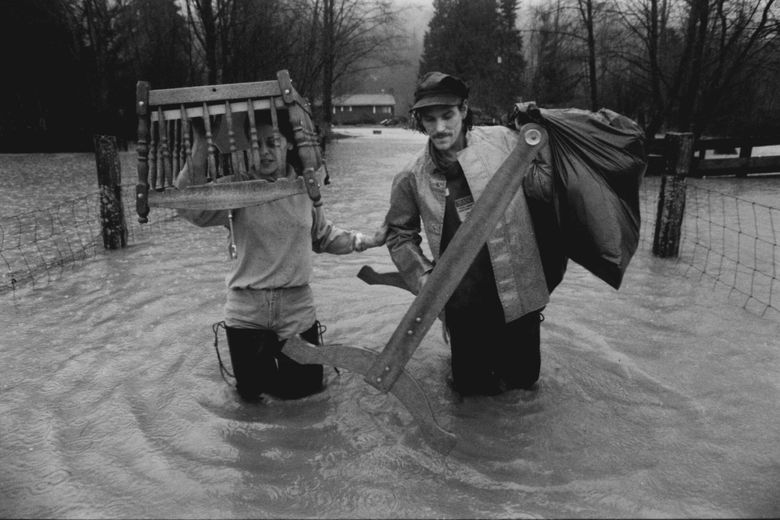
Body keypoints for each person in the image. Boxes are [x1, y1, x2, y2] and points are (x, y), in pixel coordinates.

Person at [175, 110, 384, 401]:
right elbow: (190, 207)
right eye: (256, 144)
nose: (264, 152)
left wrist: (367, 240)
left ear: (287, 144)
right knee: (251, 402)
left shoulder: (303, 187)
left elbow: (322, 236)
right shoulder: (235, 189)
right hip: (247, 310)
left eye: (272, 142)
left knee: (307, 398)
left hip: (296, 309)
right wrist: (199, 143)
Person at [383, 72, 551, 396]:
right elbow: (399, 235)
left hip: (519, 297)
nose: (440, 128)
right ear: (420, 121)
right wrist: (426, 280)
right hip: (463, 307)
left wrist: (539, 132)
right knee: (471, 397)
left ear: (464, 109)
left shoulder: (504, 142)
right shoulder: (411, 177)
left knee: (525, 390)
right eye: (429, 120)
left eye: (447, 115)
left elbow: (545, 189)